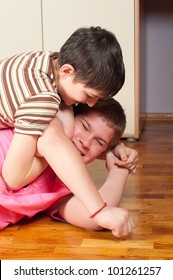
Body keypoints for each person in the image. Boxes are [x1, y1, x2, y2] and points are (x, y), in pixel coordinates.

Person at [0, 26, 127, 237]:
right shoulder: (43, 99)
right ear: (67, 71)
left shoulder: (47, 63)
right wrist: (99, 210)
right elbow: (14, 177)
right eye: (88, 95)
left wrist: (113, 158)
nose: (91, 103)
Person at [0, 99, 138, 235]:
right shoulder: (26, 133)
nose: (85, 142)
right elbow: (53, 143)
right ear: (70, 117)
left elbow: (94, 219)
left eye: (99, 142)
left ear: (101, 153)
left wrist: (119, 168)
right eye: (84, 126)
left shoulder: (65, 185)